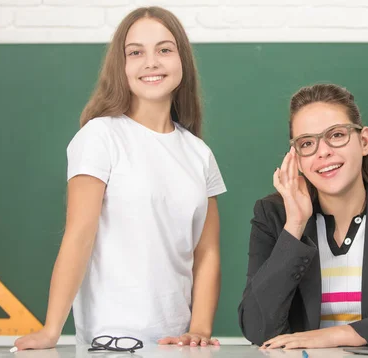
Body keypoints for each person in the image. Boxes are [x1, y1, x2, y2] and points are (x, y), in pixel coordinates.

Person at [14, 6, 226, 351]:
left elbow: (208, 251)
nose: (151, 62)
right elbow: (79, 234)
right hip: (109, 340)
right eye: (136, 52)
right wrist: (51, 329)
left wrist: (199, 328)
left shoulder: (199, 153)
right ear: (121, 66)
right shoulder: (99, 136)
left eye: (165, 49)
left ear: (182, 60)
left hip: (174, 342)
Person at [238, 83, 368, 349]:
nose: (323, 152)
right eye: (307, 143)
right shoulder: (273, 215)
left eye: (336, 135)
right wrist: (294, 227)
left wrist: (341, 335)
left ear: (364, 141)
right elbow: (257, 328)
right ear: (296, 159)